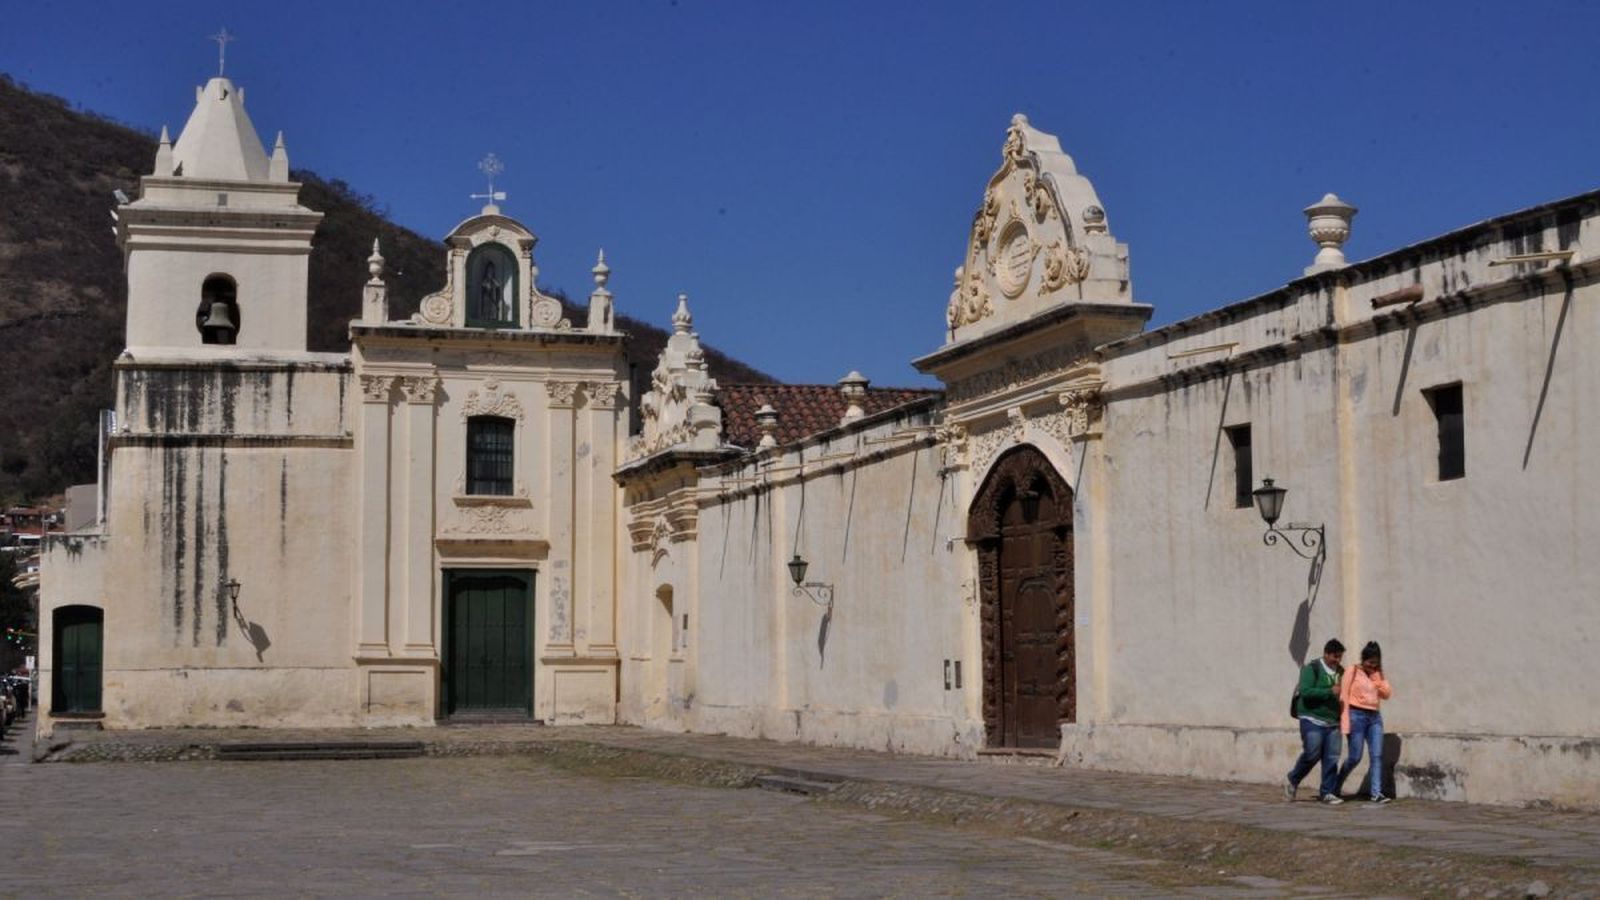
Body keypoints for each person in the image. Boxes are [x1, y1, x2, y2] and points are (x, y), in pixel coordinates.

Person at [1286, 638, 1345, 804]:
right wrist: (1329, 691)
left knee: (1332, 757)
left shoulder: (1341, 671)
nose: (1338, 660)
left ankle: (1327, 792)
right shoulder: (1311, 669)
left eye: (1340, 657)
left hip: (1333, 721)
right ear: (1326, 654)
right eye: (1335, 656)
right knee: (1312, 753)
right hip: (1311, 718)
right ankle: (1293, 779)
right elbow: (1305, 691)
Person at [1336, 641, 1394, 803]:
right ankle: (1336, 783)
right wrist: (1345, 721)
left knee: (1377, 755)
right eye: (1370, 663)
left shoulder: (1377, 674)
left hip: (1375, 717)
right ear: (1364, 659)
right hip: (1356, 715)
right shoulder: (1352, 671)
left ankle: (1376, 793)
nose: (1372, 666)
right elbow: (1344, 697)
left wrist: (1378, 678)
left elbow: (1387, 694)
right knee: (1355, 756)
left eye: (1376, 663)